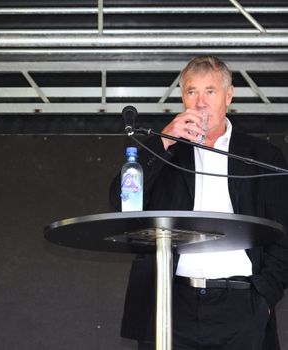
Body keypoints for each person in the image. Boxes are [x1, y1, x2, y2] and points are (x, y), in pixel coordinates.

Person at [110, 55, 288, 350]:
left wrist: (264, 297)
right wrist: (164, 141)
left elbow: (283, 233)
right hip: (171, 301)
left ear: (228, 96)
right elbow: (121, 201)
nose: (200, 103)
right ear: (183, 98)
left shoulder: (262, 156)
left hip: (242, 302)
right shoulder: (164, 150)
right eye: (192, 91)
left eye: (210, 91)